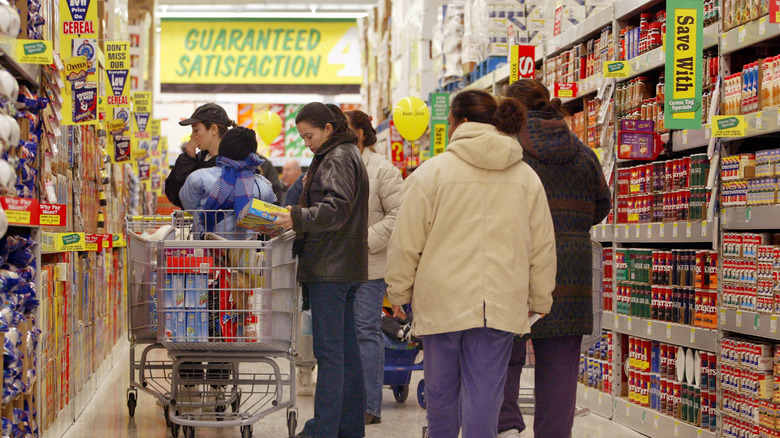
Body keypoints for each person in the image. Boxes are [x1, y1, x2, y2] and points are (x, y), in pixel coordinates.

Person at [385, 90, 557, 438]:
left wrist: (398, 290)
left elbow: (406, 241)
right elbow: (542, 246)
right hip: (500, 300)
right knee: (485, 394)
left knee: (441, 393)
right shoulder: (526, 178)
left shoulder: (431, 173)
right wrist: (540, 300)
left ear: (459, 122)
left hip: (441, 300)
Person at [497, 79, 612, 438]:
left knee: (503, 356)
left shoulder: (509, 151)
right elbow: (601, 206)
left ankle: (506, 428)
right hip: (572, 269)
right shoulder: (584, 152)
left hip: (519, 263)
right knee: (561, 368)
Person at [275, 102, 369, 438]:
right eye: (302, 137)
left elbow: (336, 208)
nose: (307, 143)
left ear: (328, 129)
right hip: (342, 264)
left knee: (330, 353)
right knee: (344, 353)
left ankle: (322, 430)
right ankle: (347, 428)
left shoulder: (338, 157)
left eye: (310, 135)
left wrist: (297, 218)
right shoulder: (344, 154)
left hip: (332, 266)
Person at [345, 109, 403, 425]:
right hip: (337, 265)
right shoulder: (334, 166)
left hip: (370, 264)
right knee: (343, 333)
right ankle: (348, 400)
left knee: (365, 329)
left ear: (362, 135)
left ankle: (369, 406)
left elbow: (399, 216)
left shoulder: (384, 171)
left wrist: (363, 240)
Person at [178, 126, 276, 238]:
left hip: (206, 248)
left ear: (222, 149)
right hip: (249, 250)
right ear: (252, 154)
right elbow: (269, 208)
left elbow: (189, 204)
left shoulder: (199, 178)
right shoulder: (263, 186)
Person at [165, 103, 237, 208]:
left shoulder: (233, 163)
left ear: (213, 129)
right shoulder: (196, 159)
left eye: (196, 130)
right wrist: (187, 159)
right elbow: (175, 196)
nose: (191, 136)